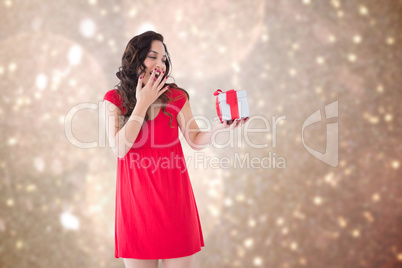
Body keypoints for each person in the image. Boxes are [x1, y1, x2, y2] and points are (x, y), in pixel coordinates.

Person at [103, 31, 248, 268]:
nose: (160, 64)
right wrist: (142, 103)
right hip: (136, 211)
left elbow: (194, 139)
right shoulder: (114, 99)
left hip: (175, 208)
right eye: (153, 56)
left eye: (163, 58)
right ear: (135, 59)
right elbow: (119, 149)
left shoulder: (176, 96)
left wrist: (220, 126)